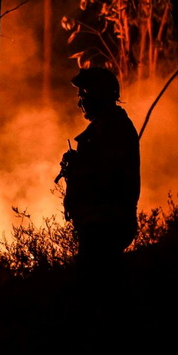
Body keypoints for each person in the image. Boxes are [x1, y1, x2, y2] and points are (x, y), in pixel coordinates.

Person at [57, 66, 141, 290]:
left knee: (96, 289)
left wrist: (77, 168)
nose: (80, 103)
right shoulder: (108, 129)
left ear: (99, 94)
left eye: (83, 95)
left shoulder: (112, 130)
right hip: (100, 223)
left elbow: (108, 178)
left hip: (105, 224)